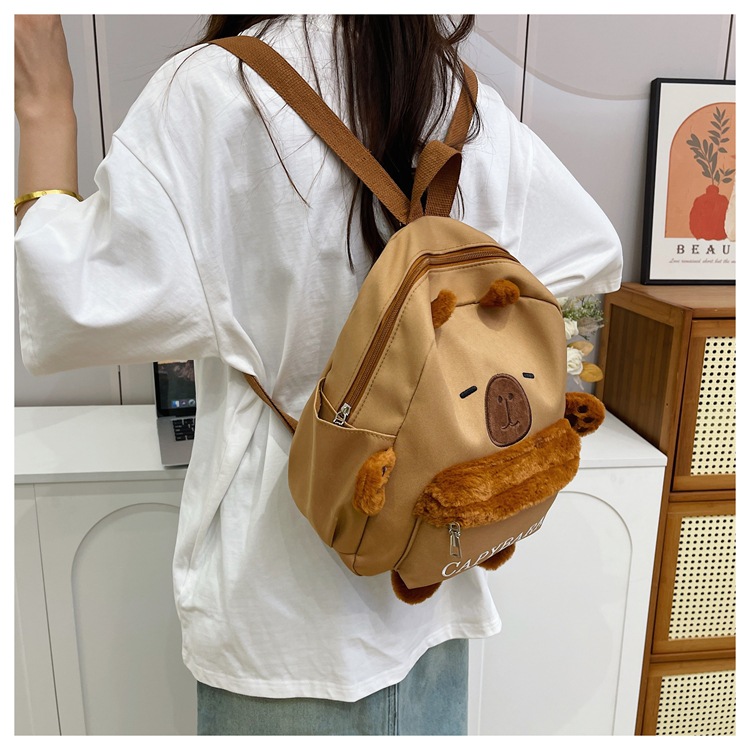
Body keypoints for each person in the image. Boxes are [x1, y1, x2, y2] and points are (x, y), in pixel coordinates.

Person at [14, 15, 622, 736]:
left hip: (282, 613)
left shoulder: (217, 91)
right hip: (436, 577)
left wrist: (45, 107)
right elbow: (590, 249)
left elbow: (72, 304)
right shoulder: (455, 96)